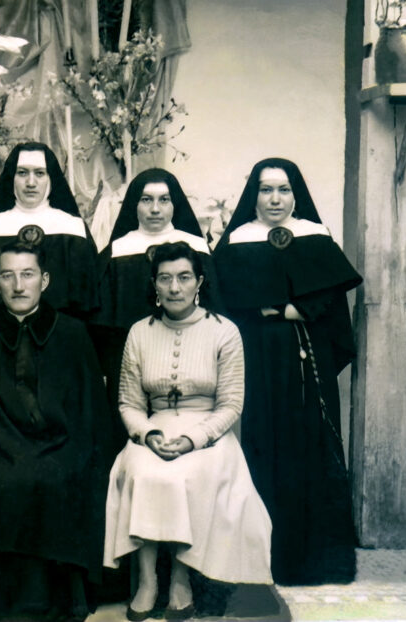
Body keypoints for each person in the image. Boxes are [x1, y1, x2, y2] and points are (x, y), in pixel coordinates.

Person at [0, 240, 109, 622]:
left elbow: (90, 416)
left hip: (59, 447)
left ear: (44, 280)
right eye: (8, 276)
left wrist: (65, 453)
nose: (18, 286)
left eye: (27, 275)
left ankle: (48, 603)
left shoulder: (73, 334)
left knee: (54, 479)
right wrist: (8, 451)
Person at [103, 241, 272, 620]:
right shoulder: (139, 332)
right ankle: (148, 580)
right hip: (154, 429)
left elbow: (231, 405)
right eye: (165, 279)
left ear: (199, 282)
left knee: (188, 475)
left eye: (183, 278)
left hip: (208, 433)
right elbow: (129, 403)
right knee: (142, 471)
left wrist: (193, 440)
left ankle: (181, 579)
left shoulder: (225, 331)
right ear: (154, 285)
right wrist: (148, 435)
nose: (174, 287)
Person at [213, 158, 362, 585]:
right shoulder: (238, 241)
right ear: (253, 195)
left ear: (296, 195)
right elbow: (229, 306)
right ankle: (264, 559)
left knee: (312, 445)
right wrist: (290, 310)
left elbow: (330, 308)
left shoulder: (314, 236)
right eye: (265, 190)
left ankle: (317, 561)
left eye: (283, 189)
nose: (274, 199)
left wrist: (277, 310)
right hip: (257, 360)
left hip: (307, 361)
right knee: (262, 444)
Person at [94, 169, 220, 456]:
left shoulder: (197, 249)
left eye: (164, 200)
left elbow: (213, 315)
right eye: (146, 199)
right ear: (133, 205)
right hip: (130, 368)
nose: (155, 209)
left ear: (175, 204)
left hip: (190, 362)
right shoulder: (117, 251)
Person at [0, 142, 98, 323]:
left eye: (39, 173)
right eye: (22, 173)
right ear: (11, 178)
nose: (31, 183)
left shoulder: (73, 228)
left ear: (51, 178)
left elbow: (89, 307)